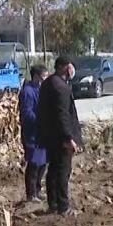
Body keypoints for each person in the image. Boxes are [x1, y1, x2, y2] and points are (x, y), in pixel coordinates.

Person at [37, 56, 82, 216]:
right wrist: (68, 138)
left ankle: (53, 204)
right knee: (63, 171)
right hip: (60, 138)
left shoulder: (48, 83)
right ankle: (63, 206)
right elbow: (62, 114)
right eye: (71, 66)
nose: (72, 70)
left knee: (54, 170)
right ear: (64, 67)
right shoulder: (60, 87)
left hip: (50, 137)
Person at [18, 65, 49, 203]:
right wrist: (41, 120)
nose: (45, 80)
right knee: (34, 163)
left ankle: (37, 189)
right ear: (36, 76)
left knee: (43, 162)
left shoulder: (42, 90)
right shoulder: (27, 92)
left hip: (42, 132)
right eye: (44, 77)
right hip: (32, 132)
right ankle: (31, 194)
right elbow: (27, 113)